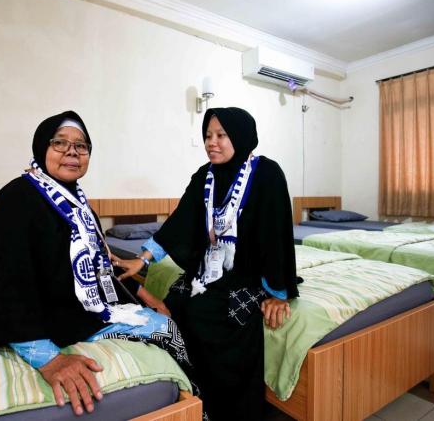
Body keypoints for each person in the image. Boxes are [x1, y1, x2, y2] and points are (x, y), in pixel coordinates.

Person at [0, 110, 191, 417]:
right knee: (167, 331)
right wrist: (48, 359)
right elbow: (7, 279)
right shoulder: (17, 199)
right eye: (60, 143)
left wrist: (145, 297)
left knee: (170, 325)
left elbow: (99, 266)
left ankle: (199, 404)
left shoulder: (78, 204)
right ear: (41, 147)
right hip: (47, 316)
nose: (72, 152)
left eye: (81, 145)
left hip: (80, 307)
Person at [113, 107, 299, 420]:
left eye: (221, 135)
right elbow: (180, 222)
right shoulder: (205, 176)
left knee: (218, 315)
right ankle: (194, 395)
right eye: (208, 135)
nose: (211, 142)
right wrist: (142, 259)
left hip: (250, 272)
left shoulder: (267, 173)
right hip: (209, 269)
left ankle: (230, 408)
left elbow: (276, 231)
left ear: (240, 136)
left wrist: (278, 292)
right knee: (180, 300)